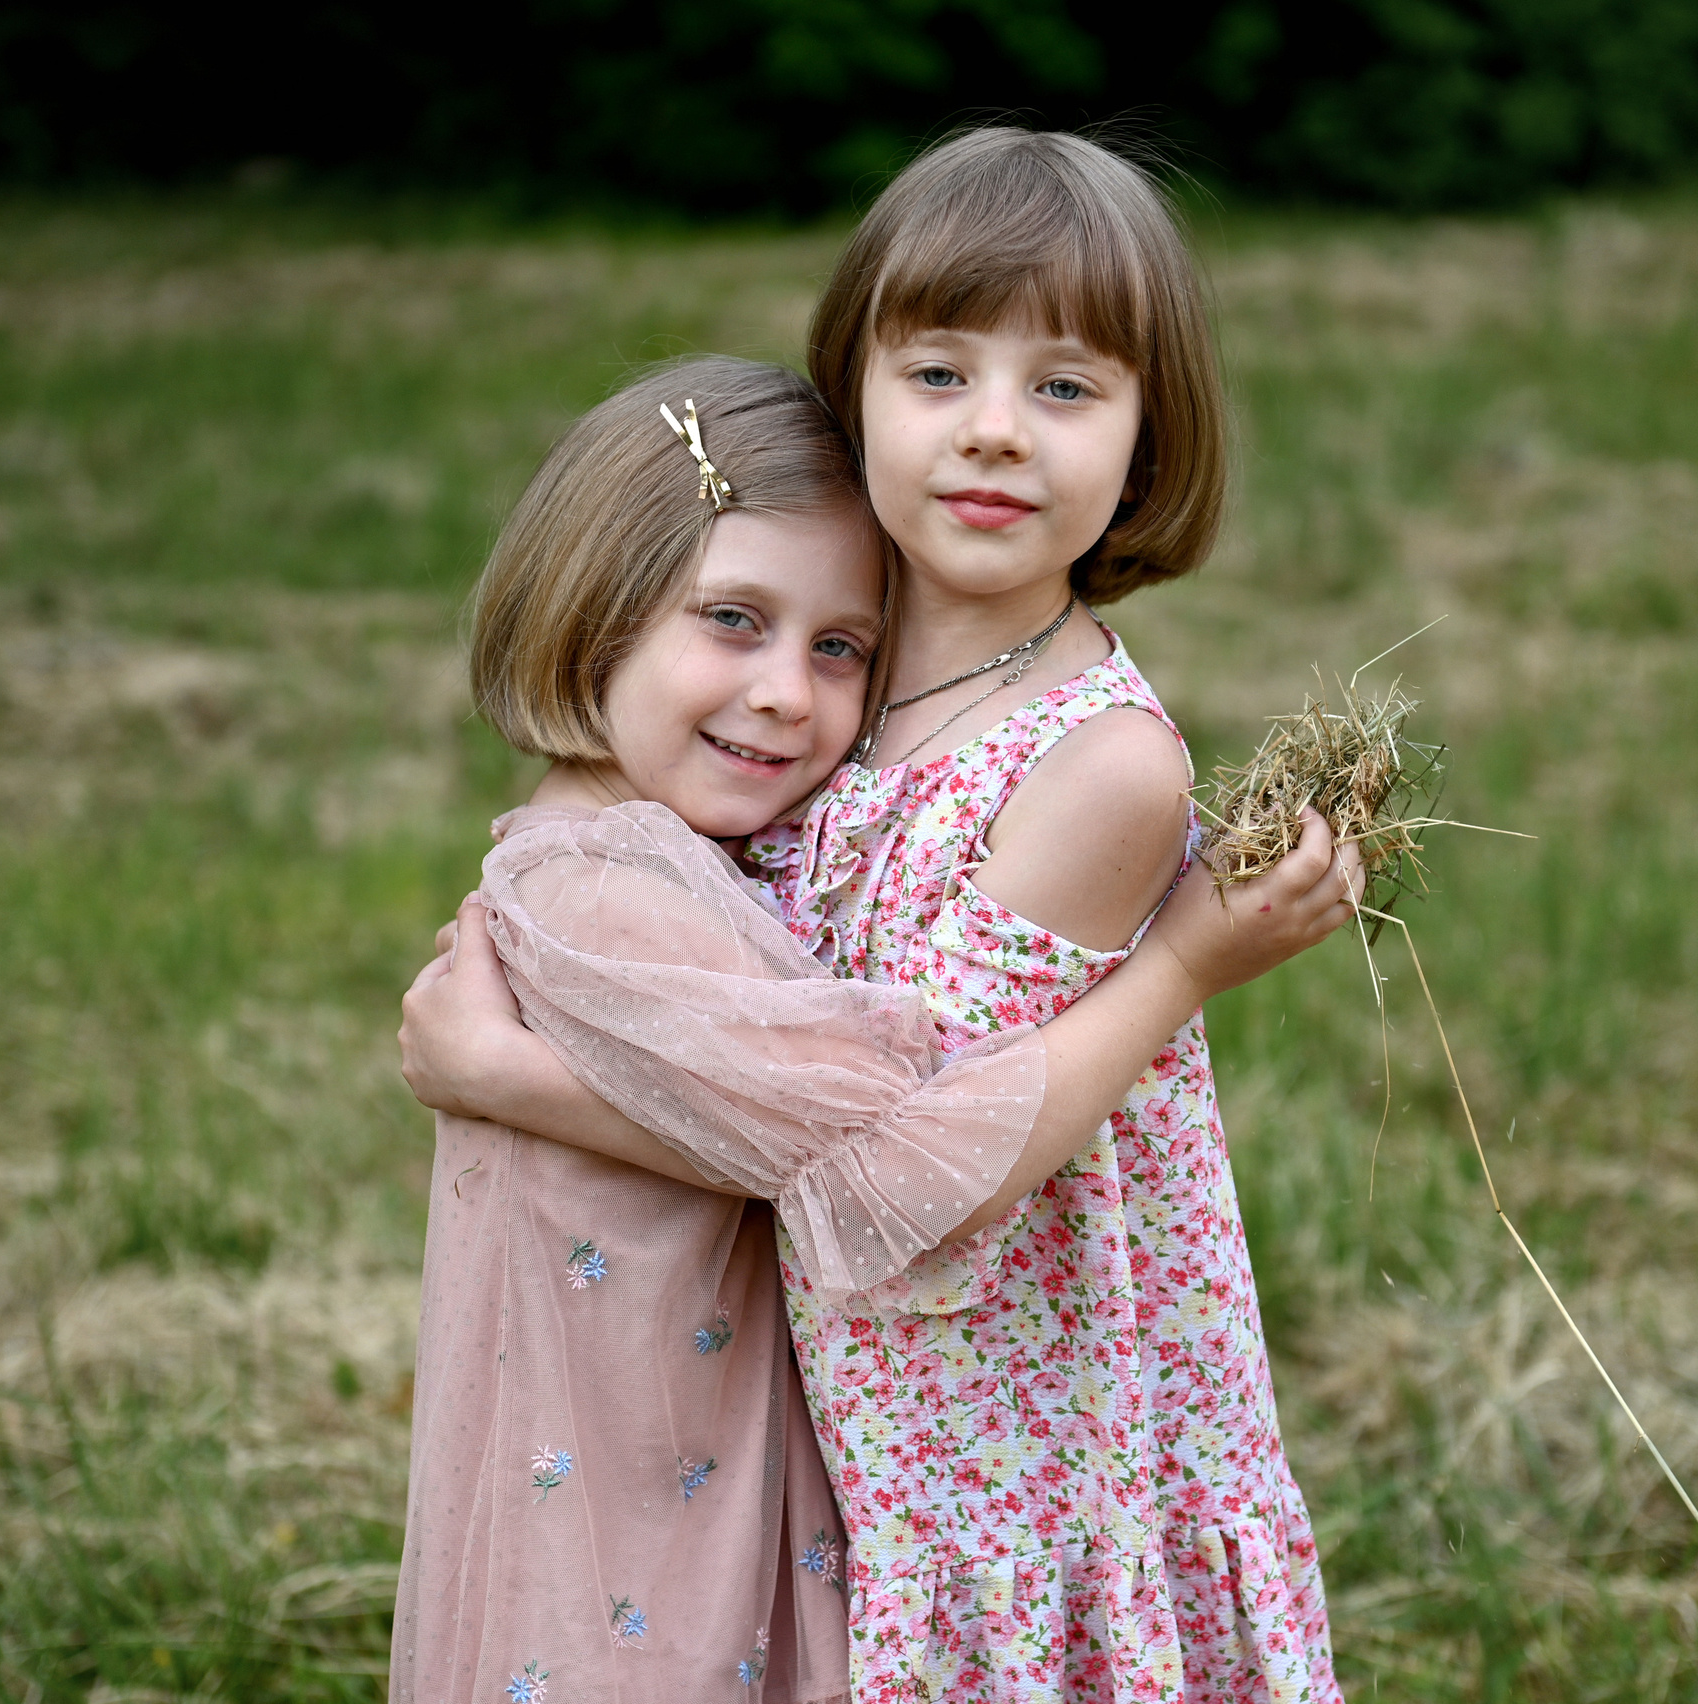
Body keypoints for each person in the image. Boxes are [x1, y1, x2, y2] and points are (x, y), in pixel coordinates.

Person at [404, 131, 1352, 1702]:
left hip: (1007, 1433)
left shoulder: (1095, 766)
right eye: (937, 374)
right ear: (850, 396)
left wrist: (1189, 957)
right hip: (846, 1391)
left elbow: (915, 1177)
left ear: (1149, 442)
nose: (994, 434)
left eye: (1066, 389)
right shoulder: (841, 650)